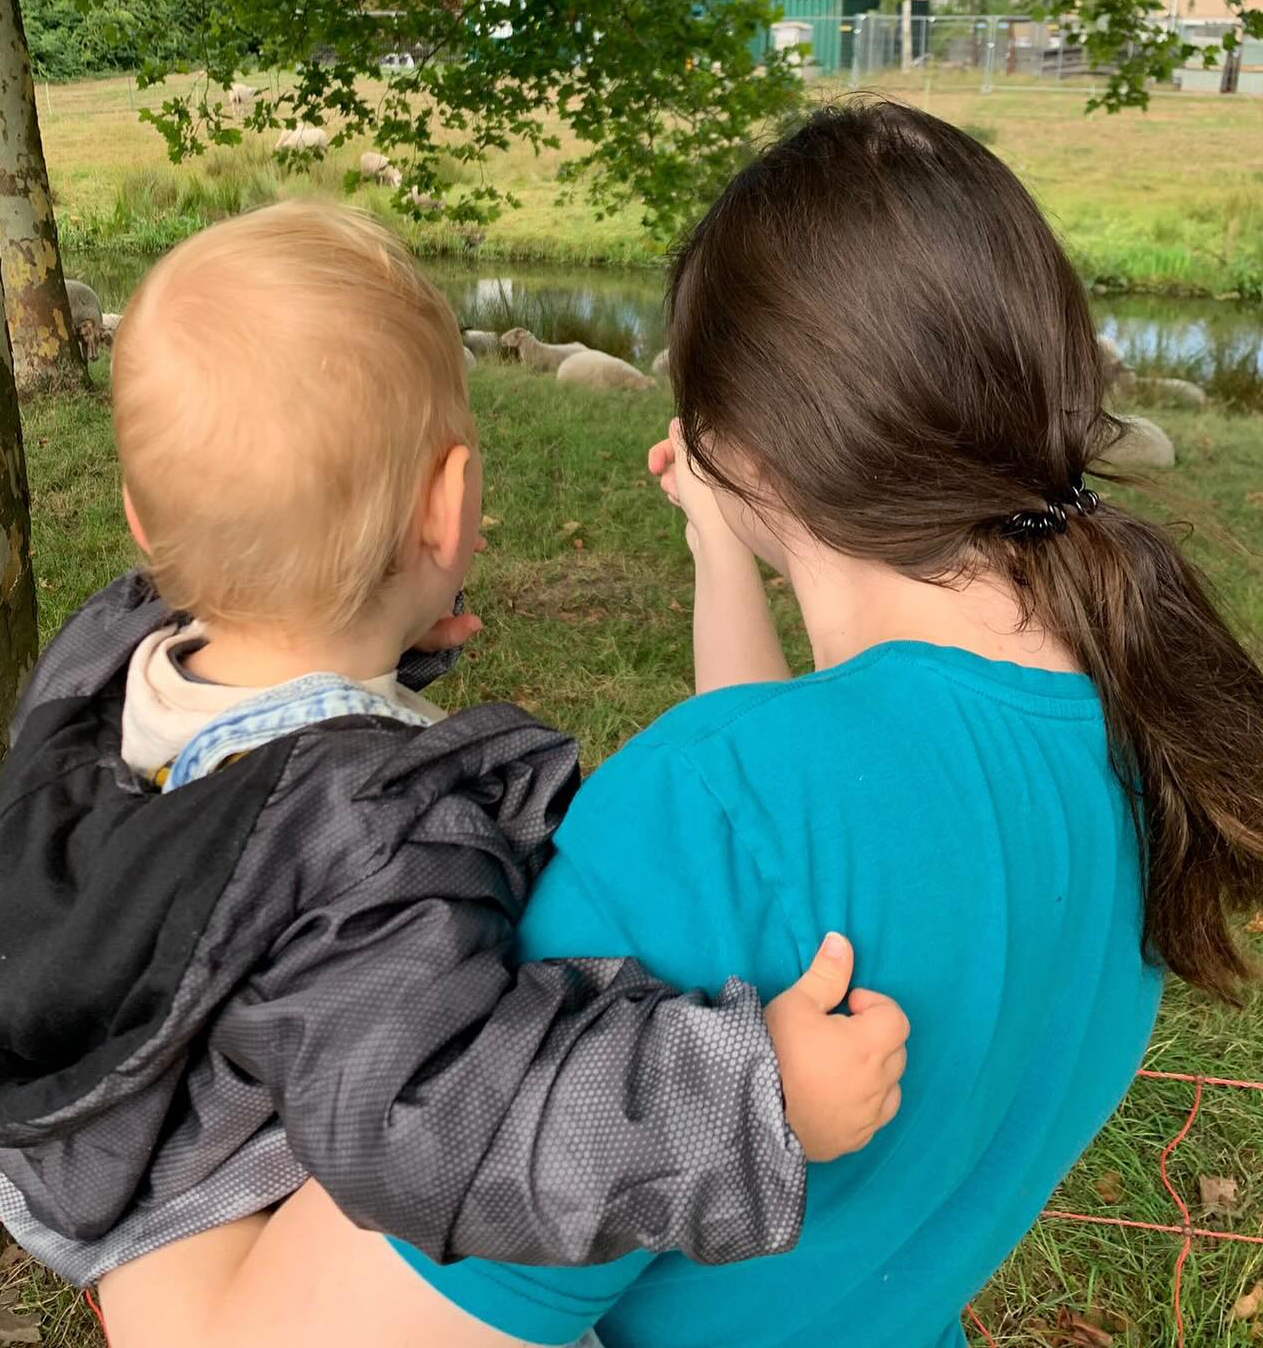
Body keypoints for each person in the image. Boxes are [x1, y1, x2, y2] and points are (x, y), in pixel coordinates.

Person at [98, 101, 1263, 1348]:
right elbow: (822, 795)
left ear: (740, 438)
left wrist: (103, 1156)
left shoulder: (714, 807)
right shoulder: (1145, 745)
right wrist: (726, 541)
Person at [0, 200, 908, 1292]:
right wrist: (753, 1103)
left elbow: (257, 700)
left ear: (145, 525)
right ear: (453, 504)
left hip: (66, 1120)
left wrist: (381, 625)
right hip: (198, 1191)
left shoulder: (105, 659)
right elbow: (447, 1115)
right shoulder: (371, 843)